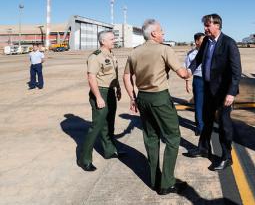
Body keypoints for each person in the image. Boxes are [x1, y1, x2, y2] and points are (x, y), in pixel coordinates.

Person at [123, 19, 191, 195]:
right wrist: (188, 72)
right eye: (161, 31)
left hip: (142, 98)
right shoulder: (164, 49)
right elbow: (182, 73)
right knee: (173, 138)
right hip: (160, 98)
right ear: (153, 33)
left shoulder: (135, 52)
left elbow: (126, 77)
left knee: (151, 138)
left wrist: (132, 97)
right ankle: (166, 183)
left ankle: (154, 180)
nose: (163, 33)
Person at [185, 14, 242, 171]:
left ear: (217, 25)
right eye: (205, 25)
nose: (205, 28)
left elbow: (237, 71)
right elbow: (198, 60)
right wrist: (189, 71)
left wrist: (231, 92)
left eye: (208, 25)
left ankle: (226, 156)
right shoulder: (206, 42)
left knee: (224, 124)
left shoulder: (229, 43)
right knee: (206, 119)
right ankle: (203, 148)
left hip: (224, 92)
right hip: (209, 89)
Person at [78, 31, 123, 172]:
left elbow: (114, 74)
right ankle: (84, 159)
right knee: (96, 126)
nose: (114, 40)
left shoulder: (111, 54)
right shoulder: (95, 57)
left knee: (109, 124)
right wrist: (98, 97)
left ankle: (109, 150)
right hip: (101, 92)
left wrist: (118, 88)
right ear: (103, 41)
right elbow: (91, 78)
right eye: (111, 39)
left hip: (110, 92)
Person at [184, 32, 205, 136]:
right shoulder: (190, 54)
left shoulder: (209, 51)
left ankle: (207, 124)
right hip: (198, 80)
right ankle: (200, 126)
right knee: (198, 104)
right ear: (197, 41)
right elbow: (187, 69)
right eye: (203, 39)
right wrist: (187, 83)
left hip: (210, 80)